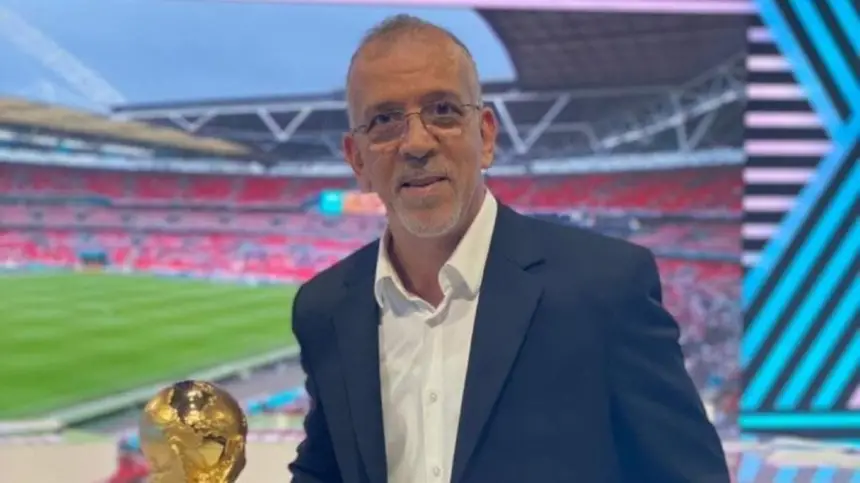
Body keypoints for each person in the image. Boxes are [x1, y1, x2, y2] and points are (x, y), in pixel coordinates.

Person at [288, 14, 730, 483]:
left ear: (486, 135)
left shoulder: (605, 289)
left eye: (443, 110)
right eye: (384, 121)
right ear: (356, 159)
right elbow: (326, 471)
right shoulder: (325, 309)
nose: (416, 143)